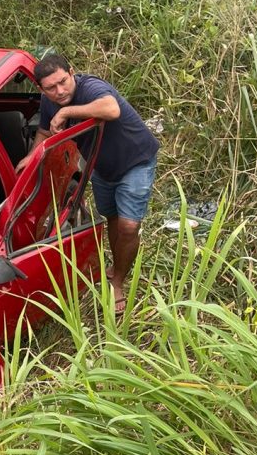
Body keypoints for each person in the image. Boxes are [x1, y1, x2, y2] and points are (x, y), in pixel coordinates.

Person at [16, 54, 159, 312]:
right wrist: (32, 156)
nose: (59, 91)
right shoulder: (49, 103)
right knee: (112, 217)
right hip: (101, 168)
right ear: (40, 89)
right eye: (51, 87)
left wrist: (67, 111)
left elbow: (111, 109)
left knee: (128, 225)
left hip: (135, 161)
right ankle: (117, 265)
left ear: (72, 72)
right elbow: (44, 131)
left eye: (63, 82)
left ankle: (117, 283)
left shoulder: (91, 88)